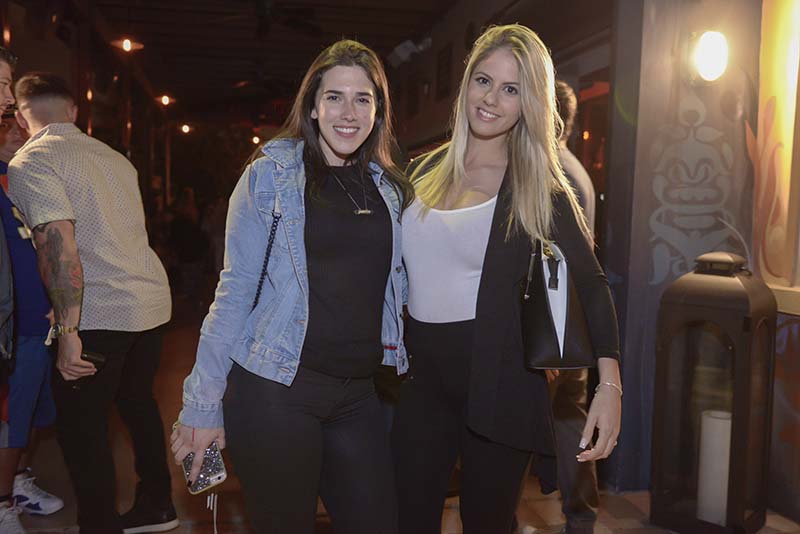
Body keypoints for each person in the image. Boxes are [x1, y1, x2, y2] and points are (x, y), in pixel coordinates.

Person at [172, 39, 412, 534]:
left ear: (378, 111)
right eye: (334, 97)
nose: (348, 112)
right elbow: (234, 292)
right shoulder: (271, 176)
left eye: (363, 99)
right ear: (313, 107)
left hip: (359, 394)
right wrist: (202, 405)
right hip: (276, 390)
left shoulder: (390, 189)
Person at [393, 24, 622, 534]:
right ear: (466, 84)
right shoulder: (420, 173)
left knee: (486, 523)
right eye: (483, 81)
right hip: (419, 380)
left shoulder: (538, 187)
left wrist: (609, 386)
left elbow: (591, 285)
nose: (491, 99)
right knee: (407, 518)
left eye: (511, 89)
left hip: (500, 380)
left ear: (529, 104)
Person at [8, 72, 176, 534]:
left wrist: (67, 331)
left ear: (21, 118)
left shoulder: (33, 162)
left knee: (82, 428)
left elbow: (58, 245)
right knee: (137, 403)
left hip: (100, 310)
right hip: (149, 302)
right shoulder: (114, 157)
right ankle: (158, 505)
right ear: (74, 111)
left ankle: (99, 526)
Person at [0, 111, 66, 527]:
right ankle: (2, 502)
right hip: (17, 324)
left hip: (45, 321)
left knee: (37, 413)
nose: (14, 134)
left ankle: (19, 481)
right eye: (6, 126)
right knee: (12, 418)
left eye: (20, 127)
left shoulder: (26, 179)